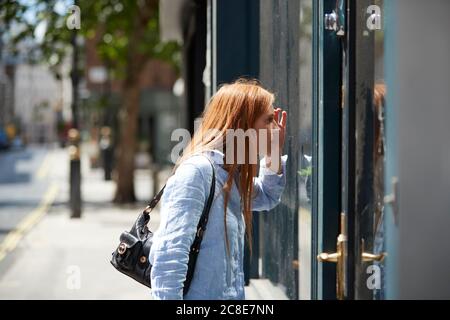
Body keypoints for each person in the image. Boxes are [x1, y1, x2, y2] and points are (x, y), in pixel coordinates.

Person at [149, 78, 288, 300]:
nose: (275, 128)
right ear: (243, 123)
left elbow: (268, 196)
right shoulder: (198, 172)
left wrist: (273, 152)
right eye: (268, 120)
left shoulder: (230, 173)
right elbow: (168, 259)